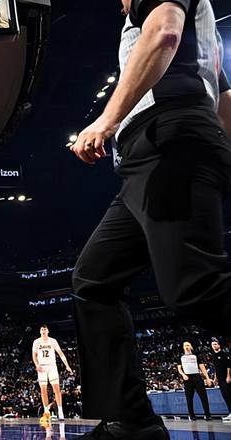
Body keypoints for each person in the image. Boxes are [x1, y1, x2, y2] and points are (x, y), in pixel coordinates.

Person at [69, 0, 231, 437]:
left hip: (170, 143)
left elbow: (164, 33)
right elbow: (224, 100)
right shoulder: (202, 41)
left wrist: (106, 121)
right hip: (153, 156)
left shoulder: (161, 13)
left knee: (195, 286)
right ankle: (132, 422)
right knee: (94, 280)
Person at [32, 325, 74, 422]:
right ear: (40, 331)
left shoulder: (53, 341)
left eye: (45, 329)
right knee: (43, 390)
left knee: (57, 389)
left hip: (52, 366)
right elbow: (34, 356)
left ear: (48, 331)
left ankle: (60, 411)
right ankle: (46, 413)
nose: (43, 330)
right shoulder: (36, 342)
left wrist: (67, 365)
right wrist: (37, 365)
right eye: (42, 329)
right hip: (42, 367)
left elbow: (60, 353)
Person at [177, 341, 212, 421]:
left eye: (188, 345)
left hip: (197, 377)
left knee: (203, 396)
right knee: (189, 398)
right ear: (183, 347)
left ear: (191, 347)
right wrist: (183, 374)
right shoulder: (181, 357)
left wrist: (207, 378)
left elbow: (202, 367)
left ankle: (207, 414)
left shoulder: (196, 356)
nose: (187, 347)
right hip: (187, 378)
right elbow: (179, 368)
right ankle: (191, 415)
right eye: (185, 345)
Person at [210, 338, 231, 421]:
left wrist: (228, 376)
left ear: (219, 345)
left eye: (215, 344)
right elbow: (216, 368)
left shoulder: (223, 354)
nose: (214, 346)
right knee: (225, 396)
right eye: (212, 344)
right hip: (220, 379)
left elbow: (229, 366)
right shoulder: (213, 355)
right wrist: (215, 378)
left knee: (229, 396)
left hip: (225, 378)